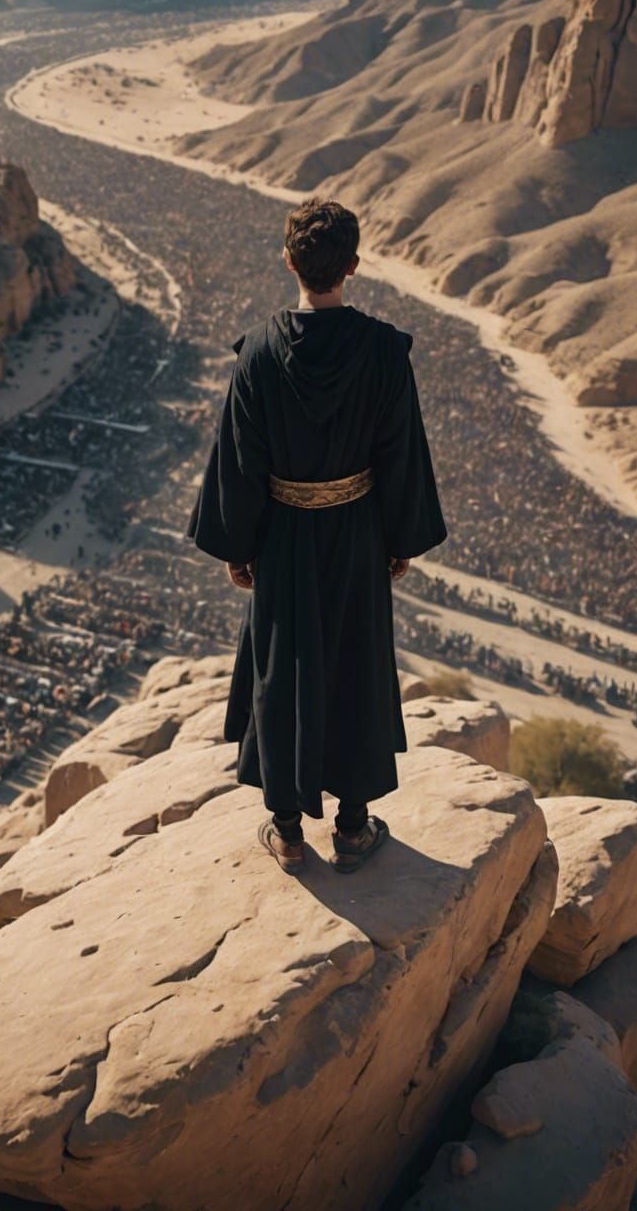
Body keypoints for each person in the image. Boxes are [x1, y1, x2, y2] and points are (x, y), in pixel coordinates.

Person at [188, 198, 446, 874]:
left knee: (285, 666)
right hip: (357, 531)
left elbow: (241, 463)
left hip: (282, 537)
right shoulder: (386, 353)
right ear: (354, 266)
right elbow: (401, 456)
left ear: (288, 260)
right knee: (354, 663)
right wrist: (399, 541)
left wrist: (241, 549)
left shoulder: (259, 354)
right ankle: (355, 828)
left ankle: (287, 830)